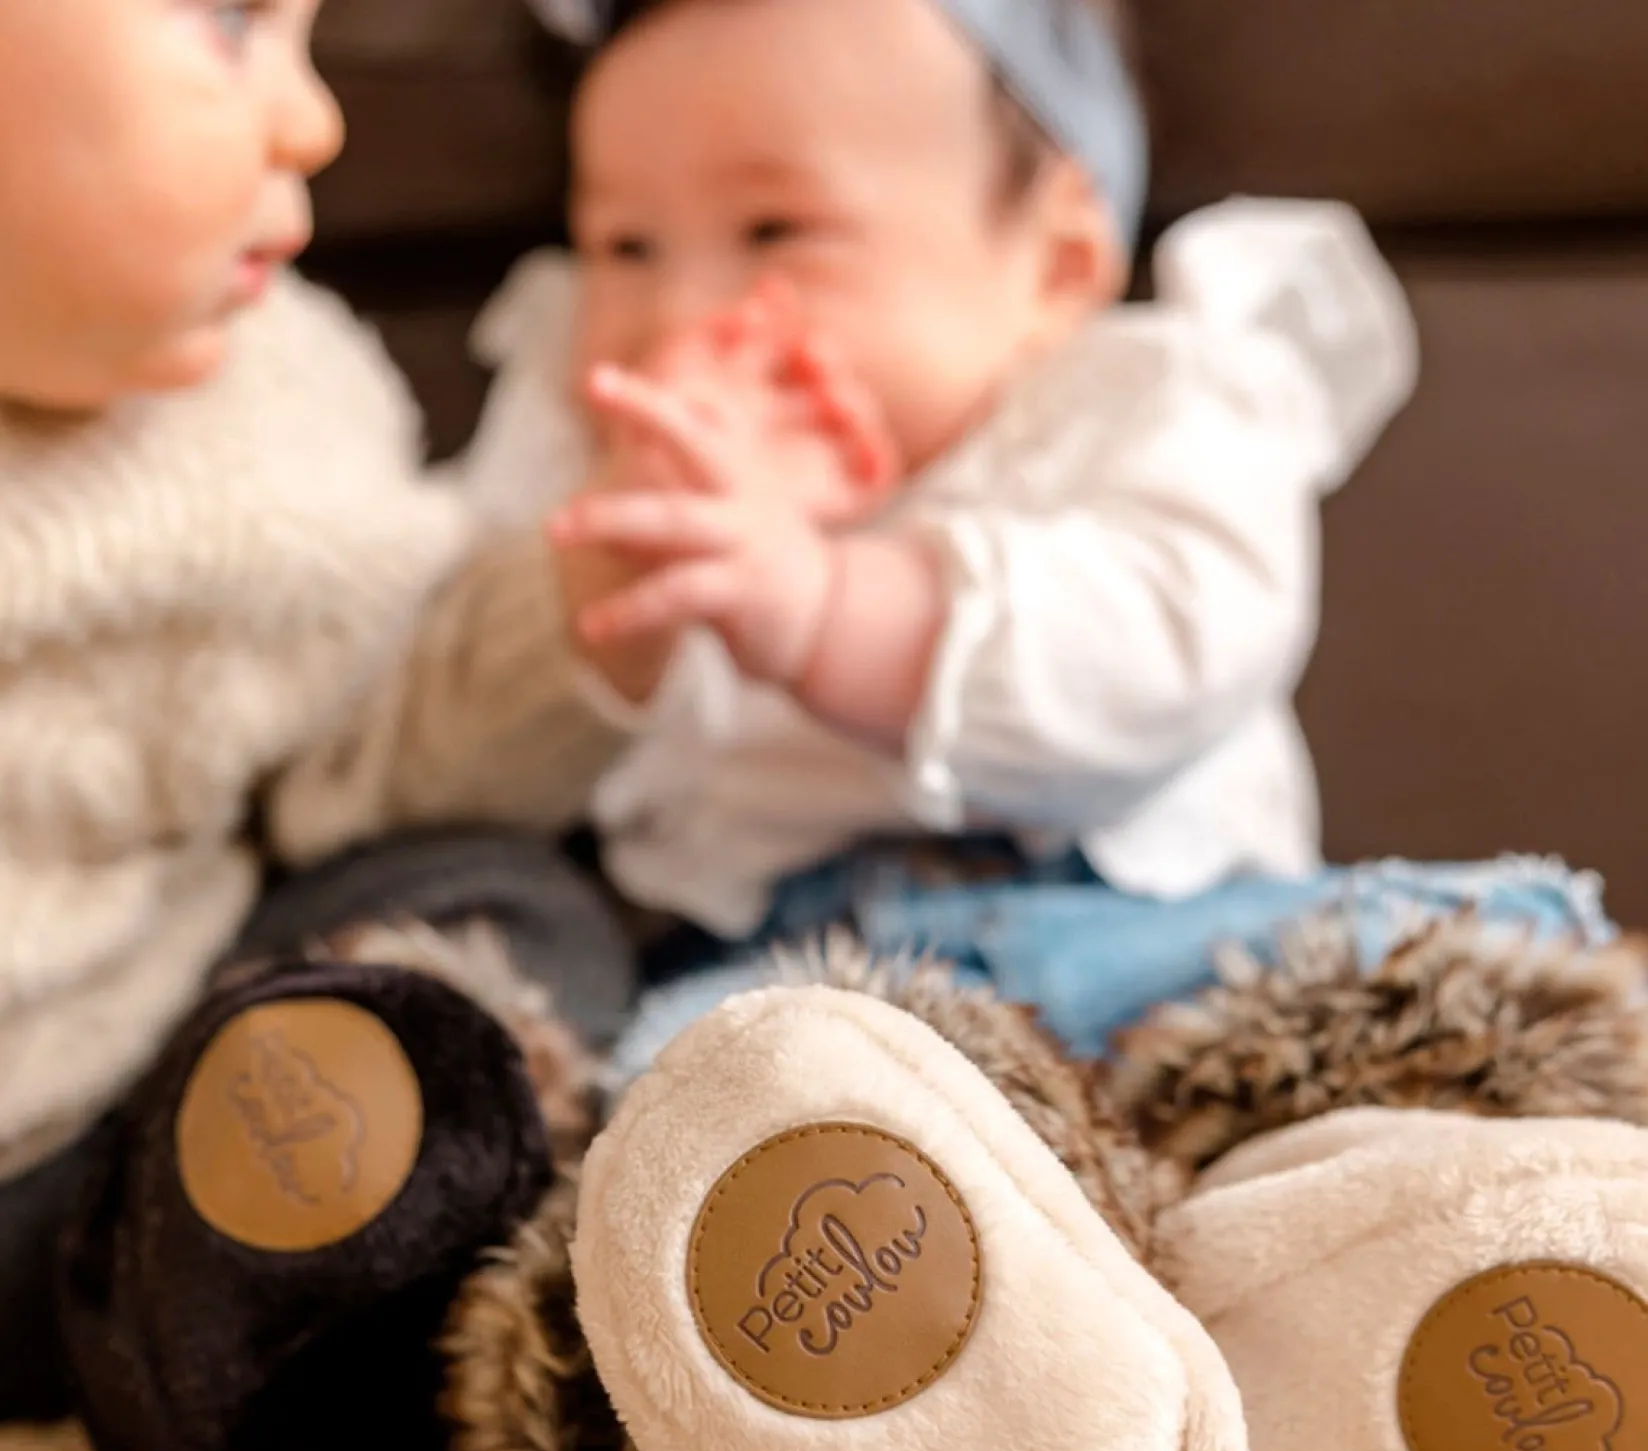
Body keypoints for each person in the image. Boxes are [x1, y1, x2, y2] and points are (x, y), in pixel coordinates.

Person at [469, 0, 1611, 1102]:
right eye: (622, 246)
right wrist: (605, 606)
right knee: (671, 1095)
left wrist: (828, 610)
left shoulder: (1139, 401)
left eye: (775, 231)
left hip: (1140, 943)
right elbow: (444, 700)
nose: (678, 314)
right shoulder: (597, 464)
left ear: (1059, 262)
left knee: (1407, 970)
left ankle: (1430, 1228)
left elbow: (1177, 637)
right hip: (789, 985)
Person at [0, 0, 632, 1421]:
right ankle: (242, 1350)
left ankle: (307, 1278)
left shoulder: (281, 397)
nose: (315, 118)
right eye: (230, 22)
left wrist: (592, 604)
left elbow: (355, 765)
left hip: (152, 1073)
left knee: (501, 904)